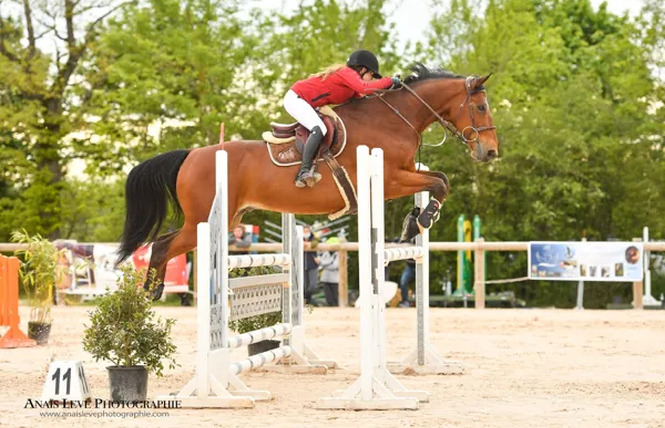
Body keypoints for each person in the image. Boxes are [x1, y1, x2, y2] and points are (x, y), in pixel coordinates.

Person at [284, 49, 401, 188]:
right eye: (371, 74)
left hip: (306, 103)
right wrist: (388, 80)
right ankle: (303, 172)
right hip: (295, 98)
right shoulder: (346, 72)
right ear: (362, 69)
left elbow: (366, 99)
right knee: (319, 128)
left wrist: (390, 90)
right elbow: (365, 88)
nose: (372, 78)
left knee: (321, 127)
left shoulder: (352, 88)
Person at [319, 236, 340, 306]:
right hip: (325, 278)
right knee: (328, 298)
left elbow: (335, 266)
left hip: (335, 279)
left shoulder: (339, 254)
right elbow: (321, 262)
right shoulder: (325, 253)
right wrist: (327, 263)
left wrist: (325, 265)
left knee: (335, 297)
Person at [302, 225, 320, 305]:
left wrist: (307, 244)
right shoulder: (299, 237)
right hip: (302, 264)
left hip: (312, 264)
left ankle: (306, 298)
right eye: (304, 231)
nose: (306, 232)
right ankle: (306, 301)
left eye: (307, 231)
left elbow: (314, 244)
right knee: (304, 285)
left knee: (313, 285)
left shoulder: (314, 237)